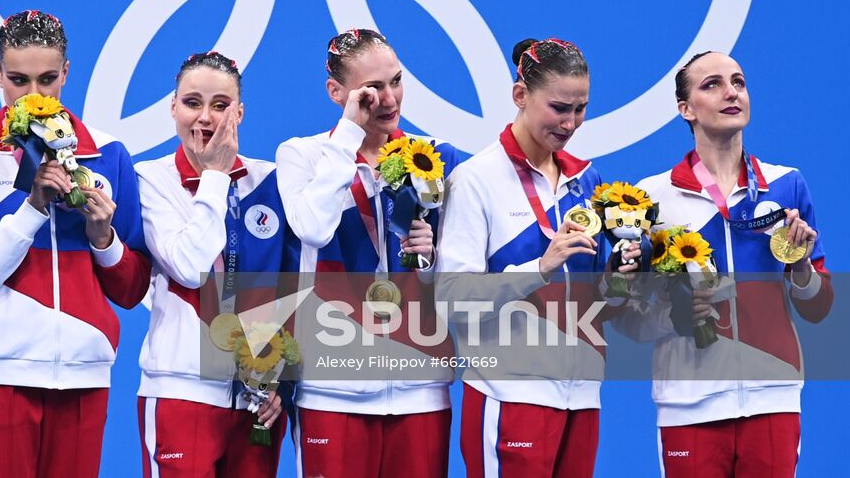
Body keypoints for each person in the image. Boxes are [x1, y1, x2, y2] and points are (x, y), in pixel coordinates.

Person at [0, 9, 152, 478]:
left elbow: (131, 291)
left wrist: (103, 239)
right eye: (17, 79)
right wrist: (32, 206)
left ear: (67, 73)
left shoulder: (109, 154)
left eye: (48, 79)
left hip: (85, 368)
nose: (34, 96)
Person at [436, 38, 640, 478]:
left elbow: (597, 298)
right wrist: (539, 268)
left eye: (580, 108)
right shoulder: (477, 180)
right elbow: (451, 300)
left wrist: (619, 276)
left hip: (581, 394)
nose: (570, 123)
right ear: (520, 96)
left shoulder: (588, 180)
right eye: (559, 108)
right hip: (510, 395)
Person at [622, 51, 832, 478]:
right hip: (688, 402)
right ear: (685, 109)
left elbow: (818, 307)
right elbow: (629, 320)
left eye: (738, 81)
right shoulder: (652, 198)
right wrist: (674, 317)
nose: (731, 91)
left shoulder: (787, 185)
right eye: (712, 84)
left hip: (773, 396)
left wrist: (803, 267)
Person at [275, 29, 465, 477]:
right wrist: (347, 137)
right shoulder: (303, 155)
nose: (389, 99)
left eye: (396, 81)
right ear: (337, 92)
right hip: (332, 388)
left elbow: (461, 277)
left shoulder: (436, 158)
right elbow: (313, 229)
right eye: (372, 89)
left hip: (420, 383)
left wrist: (432, 259)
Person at [134, 51, 294, 477]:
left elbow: (296, 286)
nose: (206, 118)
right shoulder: (150, 180)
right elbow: (188, 265)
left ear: (239, 113)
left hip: (258, 401)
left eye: (221, 106)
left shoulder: (271, 180)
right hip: (181, 392)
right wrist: (217, 177)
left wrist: (284, 376)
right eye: (192, 103)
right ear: (172, 107)